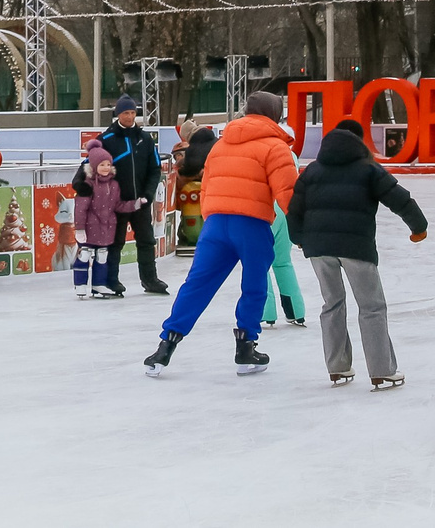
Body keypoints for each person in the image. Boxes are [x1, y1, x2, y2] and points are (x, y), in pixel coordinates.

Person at [144, 90, 299, 378]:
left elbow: (207, 186)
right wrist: (302, 228)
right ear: (274, 115)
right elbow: (288, 194)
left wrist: (212, 216)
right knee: (254, 286)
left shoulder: (221, 144)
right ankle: (245, 349)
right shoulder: (275, 147)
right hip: (251, 225)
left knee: (197, 284)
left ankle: (164, 347)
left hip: (215, 224)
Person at [285, 117, 428, 389]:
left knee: (332, 304)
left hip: (319, 249)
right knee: (371, 307)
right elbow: (399, 198)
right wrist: (418, 227)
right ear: (358, 141)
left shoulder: (313, 170)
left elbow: (295, 208)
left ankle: (337, 367)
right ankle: (382, 370)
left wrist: (298, 238)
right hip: (356, 248)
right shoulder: (368, 168)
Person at [97, 98, 169, 295]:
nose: (129, 117)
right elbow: (94, 168)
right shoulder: (106, 139)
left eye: (132, 113)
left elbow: (155, 169)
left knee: (146, 241)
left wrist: (148, 194)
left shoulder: (144, 139)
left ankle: (150, 279)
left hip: (141, 203)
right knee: (115, 242)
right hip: (117, 204)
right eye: (125, 113)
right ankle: (110, 280)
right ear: (117, 115)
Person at [73, 140, 124, 299]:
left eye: (108, 164)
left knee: (102, 255)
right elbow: (80, 208)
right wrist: (80, 228)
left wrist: (136, 204)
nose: (106, 168)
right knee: (85, 254)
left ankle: (98, 284)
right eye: (102, 165)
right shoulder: (87, 185)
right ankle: (80, 284)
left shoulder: (114, 185)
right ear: (94, 166)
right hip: (89, 228)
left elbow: (118, 205)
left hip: (106, 228)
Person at [174, 122, 216, 251]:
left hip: (201, 187)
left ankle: (187, 236)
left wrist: (180, 173)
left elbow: (191, 167)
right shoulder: (215, 141)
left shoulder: (194, 147)